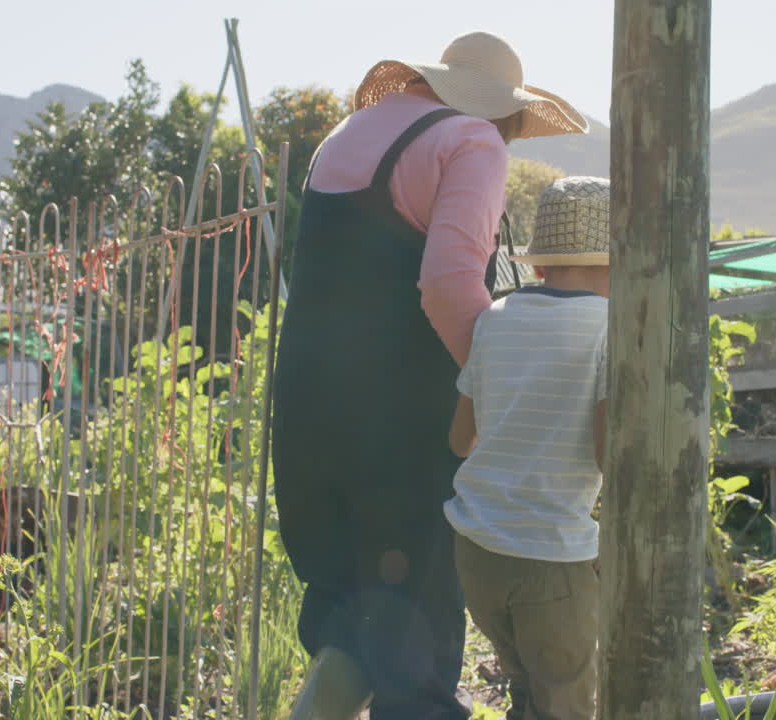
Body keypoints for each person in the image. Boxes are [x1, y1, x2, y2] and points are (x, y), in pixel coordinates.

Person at [270, 31, 588, 720]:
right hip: (400, 426)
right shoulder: (470, 141)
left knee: (351, 613)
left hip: (305, 412)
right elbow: (447, 285)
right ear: (502, 113)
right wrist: (495, 386)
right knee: (416, 644)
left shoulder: (346, 135)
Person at [446, 177, 611, 720]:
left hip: (478, 551)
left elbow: (459, 439)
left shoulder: (493, 319)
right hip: (550, 554)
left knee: (525, 692)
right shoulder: (609, 327)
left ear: (540, 263)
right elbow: (610, 453)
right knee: (565, 702)